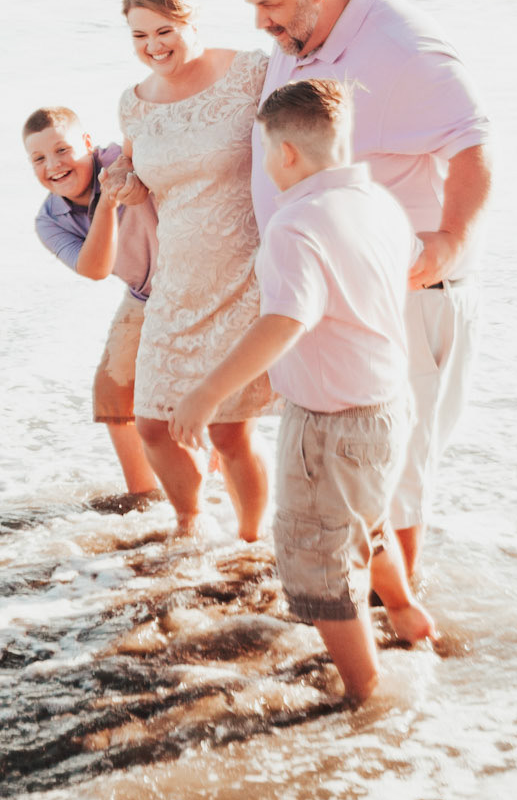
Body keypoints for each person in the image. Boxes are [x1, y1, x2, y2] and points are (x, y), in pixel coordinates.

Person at [169, 77, 434, 701]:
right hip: (388, 406)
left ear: (285, 152)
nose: (267, 163)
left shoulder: (296, 224)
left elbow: (287, 319)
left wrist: (206, 393)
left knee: (320, 562)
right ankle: (404, 613)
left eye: (266, 151)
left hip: (332, 423)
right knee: (364, 523)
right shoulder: (380, 205)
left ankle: (366, 696)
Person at [242, 0, 493, 581]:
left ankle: (396, 612)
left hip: (405, 292)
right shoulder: (299, 37)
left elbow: (475, 144)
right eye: (254, 6)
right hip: (333, 296)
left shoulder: (403, 49)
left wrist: (452, 240)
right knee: (345, 461)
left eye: (269, 6)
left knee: (398, 466)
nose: (260, 22)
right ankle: (362, 597)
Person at [118, 0, 272, 539]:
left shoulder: (250, 72)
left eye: (164, 30)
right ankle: (191, 524)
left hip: (243, 275)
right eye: (139, 35)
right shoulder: (134, 104)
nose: (153, 46)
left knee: (230, 430)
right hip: (175, 285)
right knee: (152, 425)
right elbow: (137, 174)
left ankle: (250, 540)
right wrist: (125, 183)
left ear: (191, 20)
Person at [25, 105, 162, 498]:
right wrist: (106, 205)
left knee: (189, 395)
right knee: (111, 391)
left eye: (62, 150)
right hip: (143, 295)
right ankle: (144, 496)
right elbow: (95, 269)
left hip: (193, 285)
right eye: (38, 158)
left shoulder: (120, 160)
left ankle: (213, 483)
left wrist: (126, 174)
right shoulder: (49, 220)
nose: (53, 165)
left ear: (88, 143)